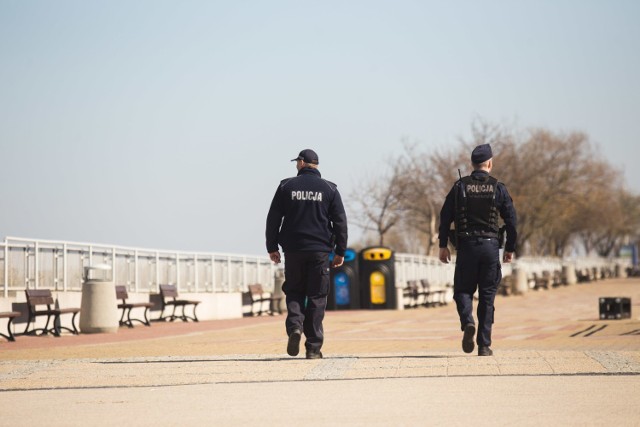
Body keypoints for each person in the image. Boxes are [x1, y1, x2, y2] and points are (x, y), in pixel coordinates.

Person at [265, 149, 348, 359]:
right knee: (317, 296)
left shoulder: (286, 186)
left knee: (294, 291)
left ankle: (294, 327)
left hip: (293, 250)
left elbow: (273, 218)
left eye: (297, 162)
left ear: (302, 163)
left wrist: (272, 247)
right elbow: (340, 222)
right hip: (320, 251)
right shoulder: (330, 189)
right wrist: (340, 251)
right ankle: (313, 348)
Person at [438, 143, 517, 356]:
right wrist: (510, 248)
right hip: (491, 248)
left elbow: (445, 217)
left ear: (472, 164)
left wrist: (442, 245)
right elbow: (511, 220)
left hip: (466, 248)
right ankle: (484, 345)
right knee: (487, 296)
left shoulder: (459, 187)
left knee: (462, 291)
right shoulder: (498, 187)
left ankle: (467, 322)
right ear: (489, 163)